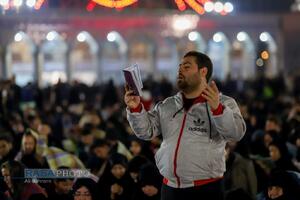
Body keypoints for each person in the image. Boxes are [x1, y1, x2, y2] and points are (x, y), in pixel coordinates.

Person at [124, 51, 246, 200]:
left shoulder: (224, 103)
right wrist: (136, 108)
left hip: (205, 189)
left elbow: (236, 133)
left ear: (203, 71)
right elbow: (146, 131)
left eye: (186, 67)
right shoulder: (168, 104)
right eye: (179, 66)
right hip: (169, 188)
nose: (180, 70)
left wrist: (218, 109)